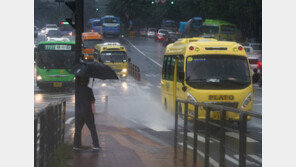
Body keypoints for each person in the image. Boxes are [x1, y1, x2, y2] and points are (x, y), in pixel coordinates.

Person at [73, 77, 100, 151]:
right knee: (92, 129)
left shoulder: (77, 89)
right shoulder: (89, 90)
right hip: (88, 112)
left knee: (78, 130)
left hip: (78, 112)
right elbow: (93, 100)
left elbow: (76, 82)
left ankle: (76, 145)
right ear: (87, 81)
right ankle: (96, 145)